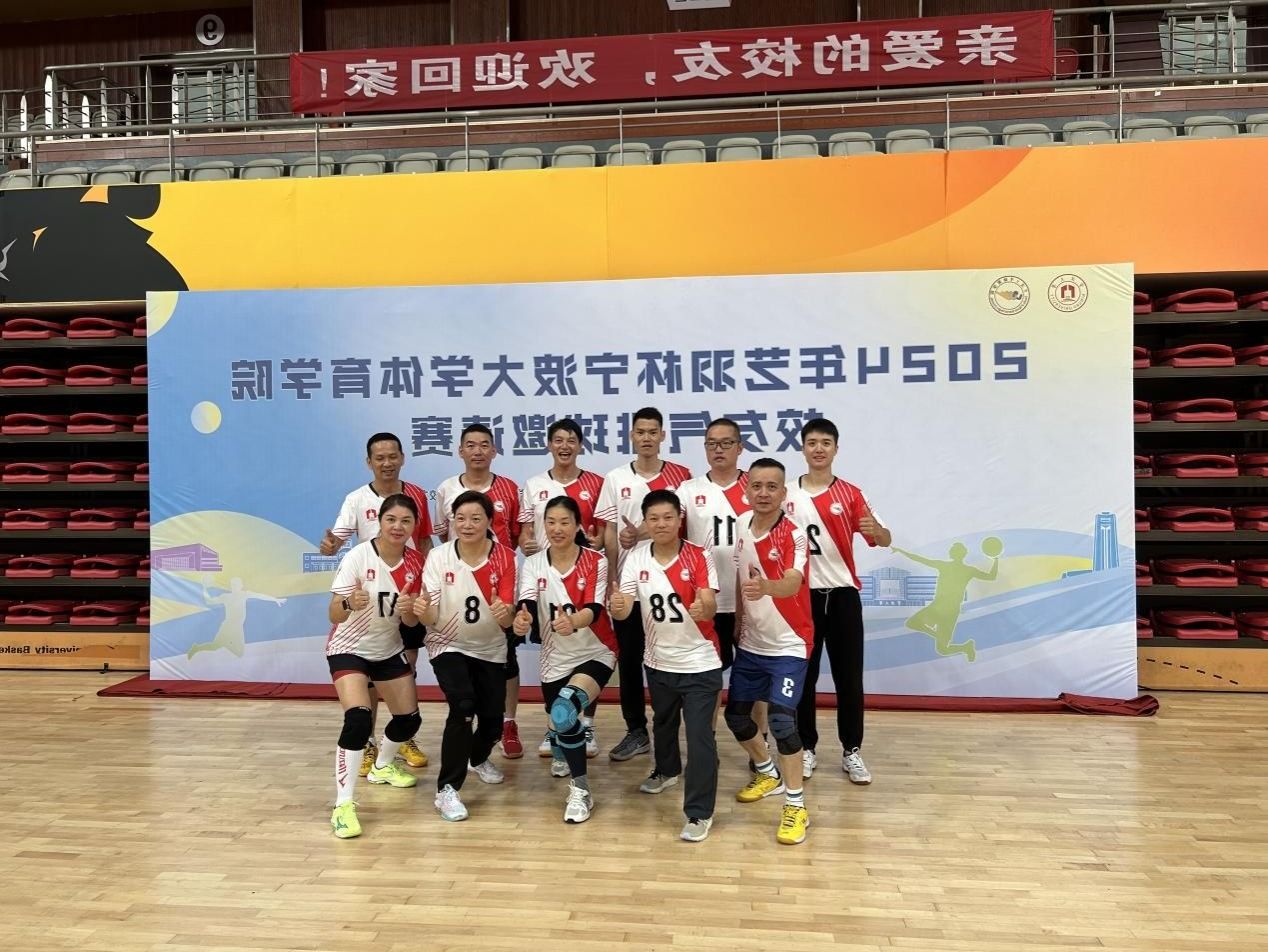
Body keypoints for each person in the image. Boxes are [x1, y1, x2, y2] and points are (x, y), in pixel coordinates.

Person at [783, 418, 891, 785]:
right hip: (802, 598)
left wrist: (878, 531)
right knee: (804, 676)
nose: (818, 449)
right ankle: (807, 747)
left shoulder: (851, 494)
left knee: (849, 677)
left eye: (825, 443)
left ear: (835, 449)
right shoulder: (786, 494)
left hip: (843, 596)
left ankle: (852, 750)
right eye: (812, 442)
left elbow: (884, 538)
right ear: (803, 447)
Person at [319, 431, 434, 774]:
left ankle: (403, 738)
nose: (387, 463)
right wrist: (329, 547)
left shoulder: (417, 495)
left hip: (406, 593)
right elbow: (336, 540)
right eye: (379, 458)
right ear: (369, 462)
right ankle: (366, 742)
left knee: (404, 667)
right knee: (365, 676)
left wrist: (426, 581)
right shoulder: (356, 499)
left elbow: (424, 541)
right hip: (369, 597)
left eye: (392, 456)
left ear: (403, 458)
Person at [610, 489, 721, 842]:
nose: (661, 524)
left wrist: (704, 608)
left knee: (700, 737)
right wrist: (617, 607)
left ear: (679, 520)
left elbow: (709, 601)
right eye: (653, 518)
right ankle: (667, 770)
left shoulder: (699, 555)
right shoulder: (636, 558)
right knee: (663, 723)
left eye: (668, 517)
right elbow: (625, 608)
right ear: (645, 522)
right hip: (658, 661)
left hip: (700, 662)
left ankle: (699, 813)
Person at [326, 493, 427, 839]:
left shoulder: (416, 563)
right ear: (379, 522)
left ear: (414, 526)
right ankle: (343, 804)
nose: (398, 527)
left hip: (388, 649)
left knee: (409, 720)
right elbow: (333, 613)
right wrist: (348, 603)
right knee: (358, 718)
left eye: (406, 521)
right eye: (391, 519)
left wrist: (411, 610)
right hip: (349, 648)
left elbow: (411, 623)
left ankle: (382, 766)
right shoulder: (358, 556)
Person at [595, 407, 692, 762]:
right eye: (641, 432)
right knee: (631, 658)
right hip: (630, 585)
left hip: (671, 585)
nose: (647, 438)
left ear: (663, 436)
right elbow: (609, 532)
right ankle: (636, 730)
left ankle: (672, 730)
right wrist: (612, 578)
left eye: (653, 432)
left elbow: (683, 526)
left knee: (670, 657)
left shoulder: (682, 476)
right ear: (631, 436)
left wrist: (641, 533)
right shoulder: (615, 478)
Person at [727, 459, 815, 846]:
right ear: (747, 489)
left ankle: (796, 805)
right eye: (757, 486)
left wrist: (768, 587)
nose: (763, 493)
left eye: (772, 486)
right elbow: (740, 579)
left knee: (781, 723)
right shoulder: (740, 526)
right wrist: (738, 622)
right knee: (735, 717)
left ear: (783, 492)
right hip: (751, 644)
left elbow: (793, 583)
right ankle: (767, 772)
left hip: (789, 644)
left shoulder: (794, 534)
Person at [513, 495, 616, 823]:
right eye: (551, 522)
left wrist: (573, 621)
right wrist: (522, 620)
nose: (557, 529)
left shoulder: (595, 561)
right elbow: (527, 603)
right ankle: (561, 747)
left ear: (578, 526)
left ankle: (581, 791)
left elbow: (595, 608)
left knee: (563, 710)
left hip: (596, 650)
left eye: (565, 522)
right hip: (554, 656)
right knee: (559, 724)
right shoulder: (533, 563)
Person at [416, 490, 517, 822]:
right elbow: (430, 615)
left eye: (476, 518)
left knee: (492, 723)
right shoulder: (439, 557)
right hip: (447, 644)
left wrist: (505, 613)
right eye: (460, 518)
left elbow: (508, 620)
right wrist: (422, 611)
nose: (467, 525)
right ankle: (447, 789)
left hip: (490, 648)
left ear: (489, 521)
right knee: (462, 706)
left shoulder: (505, 558)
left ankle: (477, 757)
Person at [433, 424, 526, 760]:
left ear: (494, 451)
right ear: (460, 451)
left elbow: (515, 535)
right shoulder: (446, 489)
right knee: (464, 664)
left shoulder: (510, 488)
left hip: (499, 583)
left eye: (484, 445)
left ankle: (508, 723)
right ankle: (467, 727)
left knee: (507, 660)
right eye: (470, 445)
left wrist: (498, 570)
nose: (477, 451)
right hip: (457, 586)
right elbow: (442, 535)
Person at [518, 417, 606, 759]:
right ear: (549, 444)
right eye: (558, 439)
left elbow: (601, 533)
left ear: (580, 445)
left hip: (582, 574)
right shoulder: (533, 484)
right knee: (555, 652)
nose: (564, 446)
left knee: (586, 647)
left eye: (571, 440)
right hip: (545, 578)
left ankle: (587, 725)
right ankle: (557, 724)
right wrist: (527, 545)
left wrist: (598, 544)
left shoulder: (596, 483)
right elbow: (525, 533)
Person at [679, 417, 750, 675]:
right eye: (712, 444)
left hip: (750, 597)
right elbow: (667, 521)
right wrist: (636, 533)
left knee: (754, 671)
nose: (718, 449)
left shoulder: (756, 486)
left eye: (726, 443)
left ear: (739, 447)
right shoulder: (688, 489)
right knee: (709, 673)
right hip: (707, 599)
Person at [187, 576, 286, 659]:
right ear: (231, 586)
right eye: (233, 585)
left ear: (241, 586)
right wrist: (204, 589)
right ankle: (197, 648)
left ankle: (223, 644)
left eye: (237, 584)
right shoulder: (226, 597)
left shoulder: (244, 594)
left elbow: (259, 596)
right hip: (228, 626)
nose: (235, 586)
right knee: (214, 646)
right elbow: (209, 601)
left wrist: (275, 599)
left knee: (239, 653)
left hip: (238, 627)